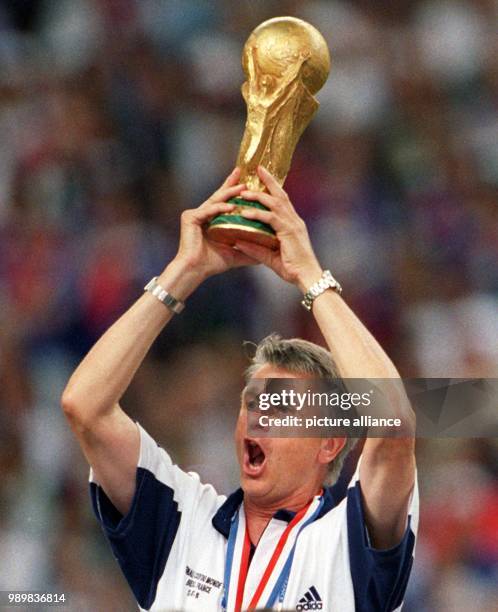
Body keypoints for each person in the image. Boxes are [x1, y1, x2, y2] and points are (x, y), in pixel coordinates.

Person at [61, 166, 418, 611]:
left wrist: (309, 275)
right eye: (252, 403)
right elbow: (85, 406)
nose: (259, 417)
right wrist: (184, 271)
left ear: (329, 443)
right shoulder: (183, 521)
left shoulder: (349, 535)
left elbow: (394, 423)